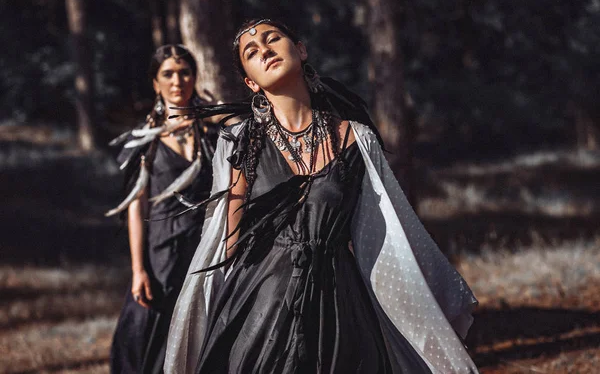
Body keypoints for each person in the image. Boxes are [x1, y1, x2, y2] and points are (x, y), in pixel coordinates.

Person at [165, 20, 479, 373]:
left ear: (300, 50)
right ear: (250, 82)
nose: (265, 50)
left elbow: (385, 233)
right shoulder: (240, 141)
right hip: (260, 301)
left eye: (273, 39)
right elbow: (228, 239)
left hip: (338, 303)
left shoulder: (356, 139)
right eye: (252, 52)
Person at [106, 44, 218, 374]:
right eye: (167, 73)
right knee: (145, 336)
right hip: (159, 255)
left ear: (195, 78)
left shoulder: (213, 135)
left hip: (200, 253)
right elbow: (134, 207)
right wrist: (139, 269)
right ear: (155, 83)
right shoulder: (145, 140)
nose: (177, 80)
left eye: (184, 72)